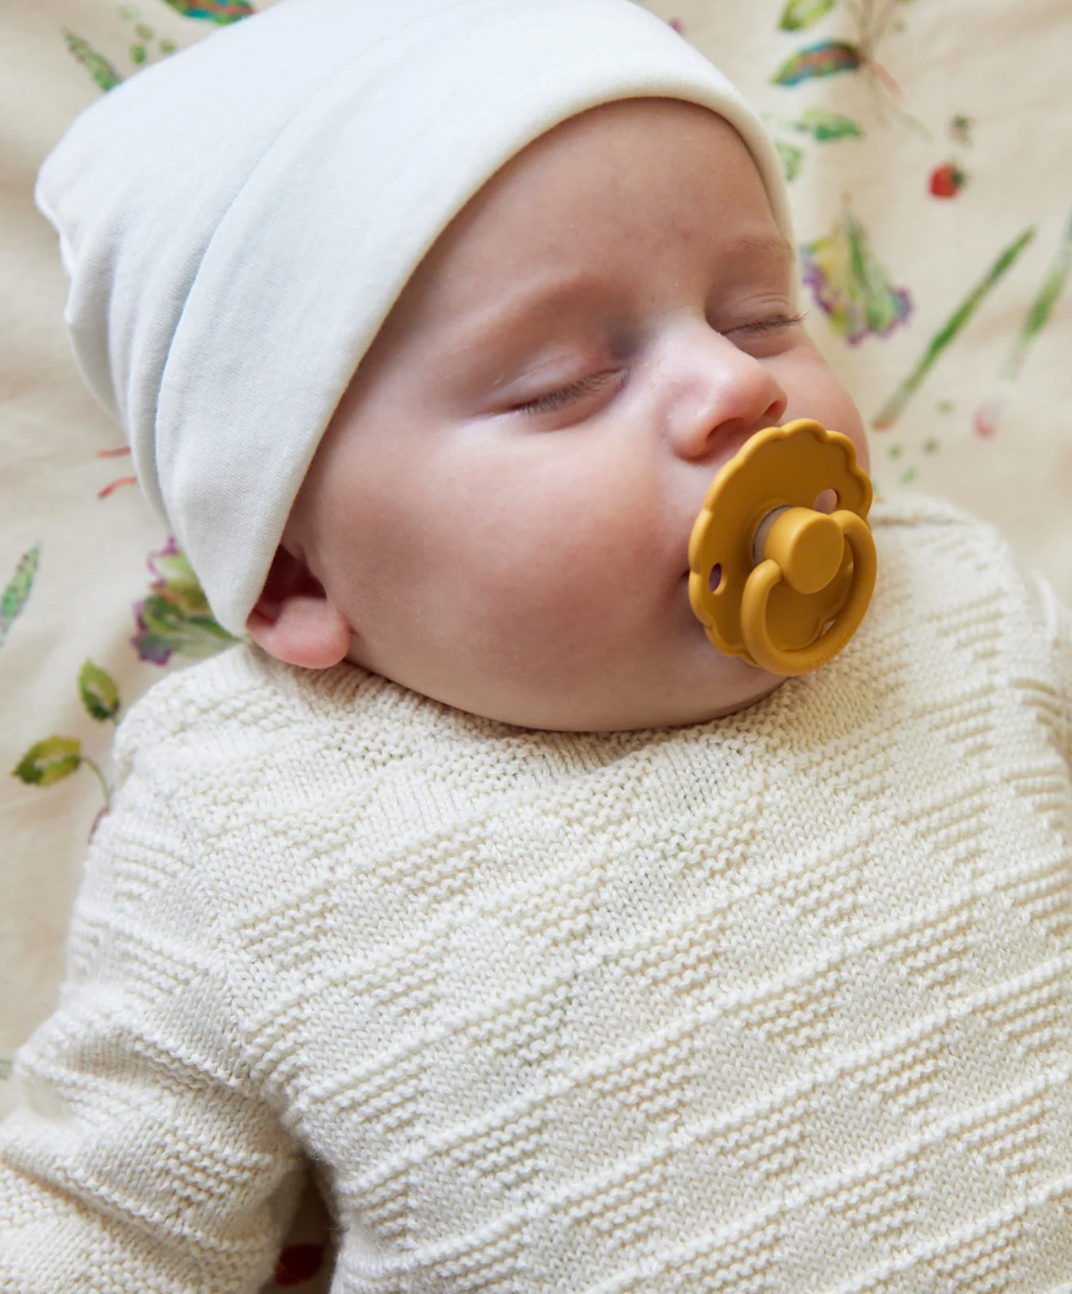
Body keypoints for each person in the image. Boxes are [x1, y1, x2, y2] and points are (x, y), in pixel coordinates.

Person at [3, 0, 1072, 1289]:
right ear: (292, 571)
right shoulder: (243, 819)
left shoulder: (953, 595)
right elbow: (106, 1221)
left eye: (757, 316)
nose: (740, 389)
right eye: (565, 383)